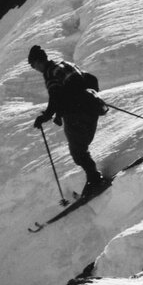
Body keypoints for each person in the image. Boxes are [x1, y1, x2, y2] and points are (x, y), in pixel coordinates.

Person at [29, 46, 108, 190]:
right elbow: (90, 78)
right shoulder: (65, 64)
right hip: (92, 108)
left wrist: (45, 116)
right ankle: (94, 177)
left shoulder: (50, 72)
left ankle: (95, 179)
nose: (36, 69)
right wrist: (91, 96)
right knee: (81, 146)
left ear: (38, 62)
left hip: (76, 113)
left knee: (77, 151)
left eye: (34, 66)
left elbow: (56, 96)